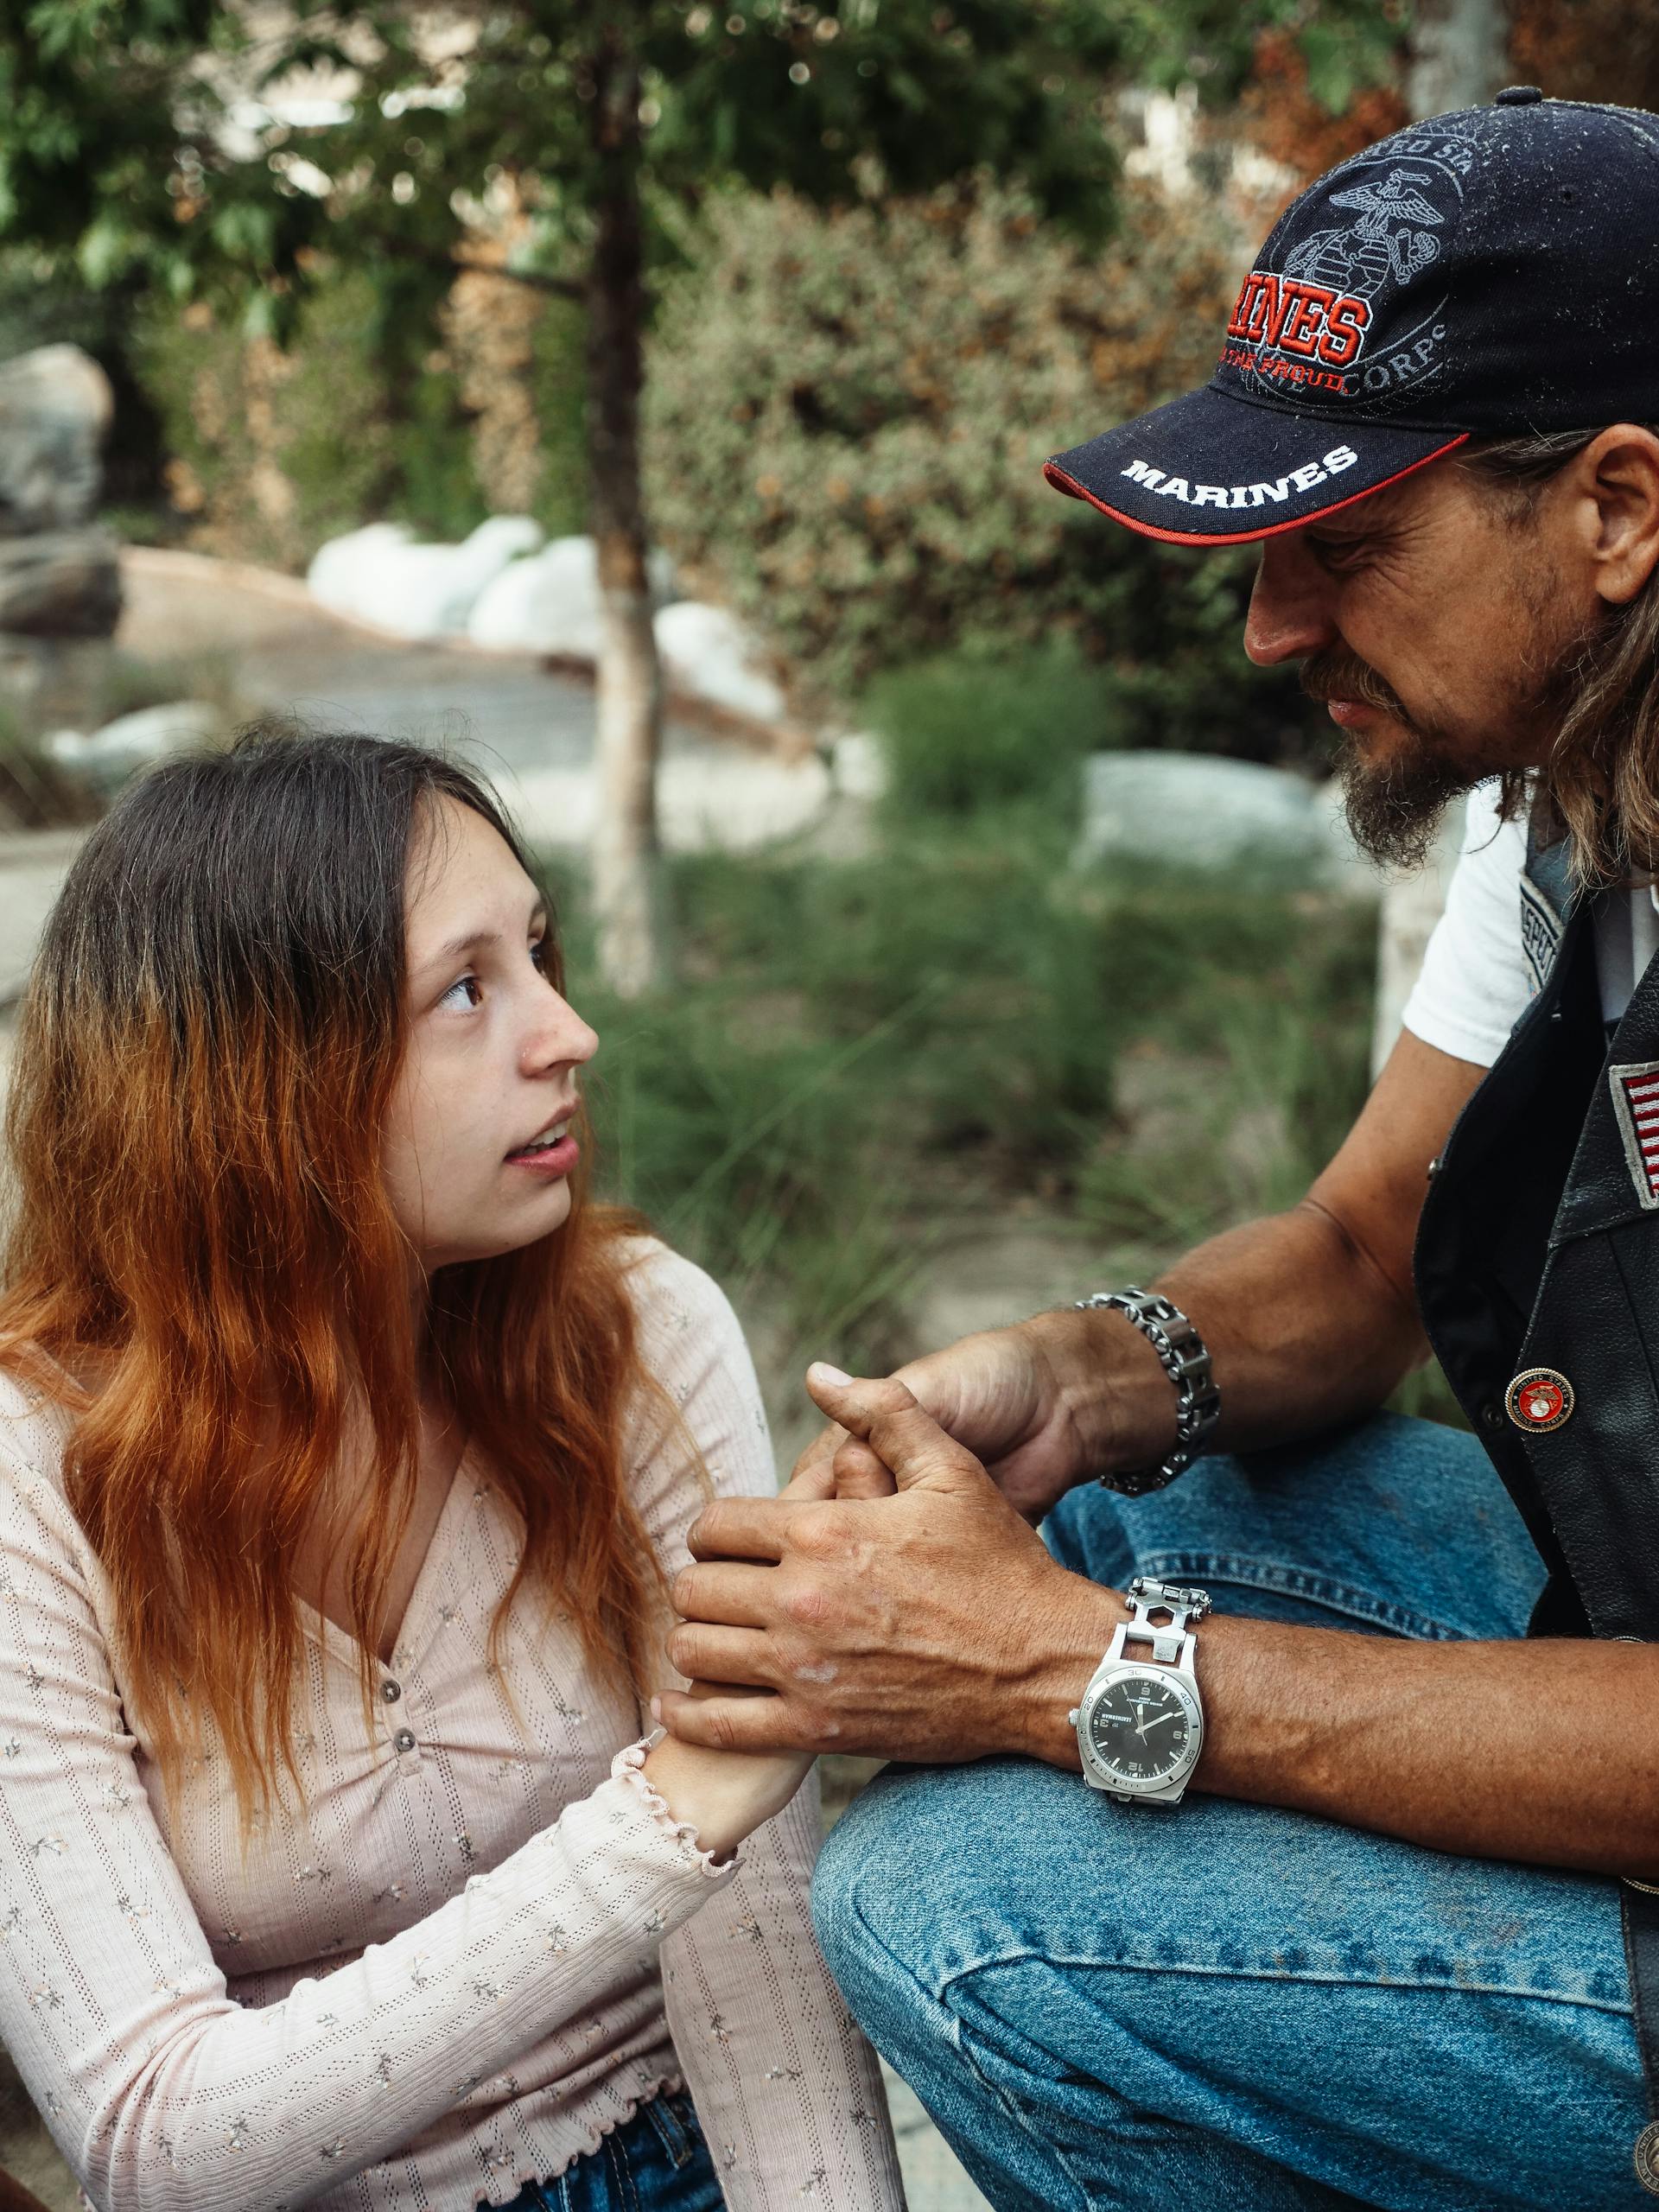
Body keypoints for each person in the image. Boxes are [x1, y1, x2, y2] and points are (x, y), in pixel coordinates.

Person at [658, 90, 1659, 2212]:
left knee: (962, 1903)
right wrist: (1076, 1377)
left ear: (1618, 507)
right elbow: (1371, 1238)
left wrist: (1072, 1679)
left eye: (1345, 544)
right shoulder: (1573, 792)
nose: (1267, 630)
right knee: (1117, 1522)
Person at [0, 726, 904, 2212]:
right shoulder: (42, 1476)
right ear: (262, 1080)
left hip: (671, 2159)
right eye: (467, 989)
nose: (566, 1034)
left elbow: (762, 1963)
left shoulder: (639, 1336)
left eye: (541, 955)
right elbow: (157, 2135)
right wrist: (666, 1814)